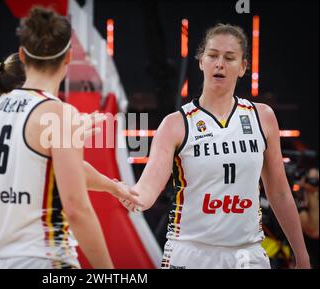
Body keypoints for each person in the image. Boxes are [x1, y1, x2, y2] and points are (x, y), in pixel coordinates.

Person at [122, 23, 310, 269]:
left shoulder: (262, 117)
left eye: (229, 58)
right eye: (212, 55)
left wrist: (302, 255)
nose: (219, 63)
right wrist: (129, 195)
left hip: (247, 254)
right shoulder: (175, 125)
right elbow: (147, 190)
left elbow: (280, 192)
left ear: (243, 67)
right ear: (201, 62)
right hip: (191, 253)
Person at [0, 7, 140, 269]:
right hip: (44, 260)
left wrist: (112, 186)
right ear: (68, 57)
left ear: (22, 54)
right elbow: (77, 208)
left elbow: (48, 169)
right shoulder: (58, 113)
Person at [0, 53, 139, 259]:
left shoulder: (32, 136)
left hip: (28, 252)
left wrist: (113, 187)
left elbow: (70, 171)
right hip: (4, 254)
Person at [298, 167, 319, 268]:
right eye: (310, 179)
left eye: (316, 179)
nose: (313, 182)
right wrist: (309, 191)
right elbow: (312, 230)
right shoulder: (301, 197)